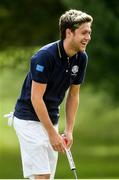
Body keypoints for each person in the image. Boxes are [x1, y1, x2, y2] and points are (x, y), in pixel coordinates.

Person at [13, 9, 93, 179]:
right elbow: (36, 98)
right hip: (28, 118)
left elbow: (73, 95)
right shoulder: (45, 57)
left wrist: (69, 130)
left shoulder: (81, 57)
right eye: (84, 32)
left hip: (51, 117)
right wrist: (52, 134)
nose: (88, 37)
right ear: (69, 32)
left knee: (45, 177)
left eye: (89, 33)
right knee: (43, 175)